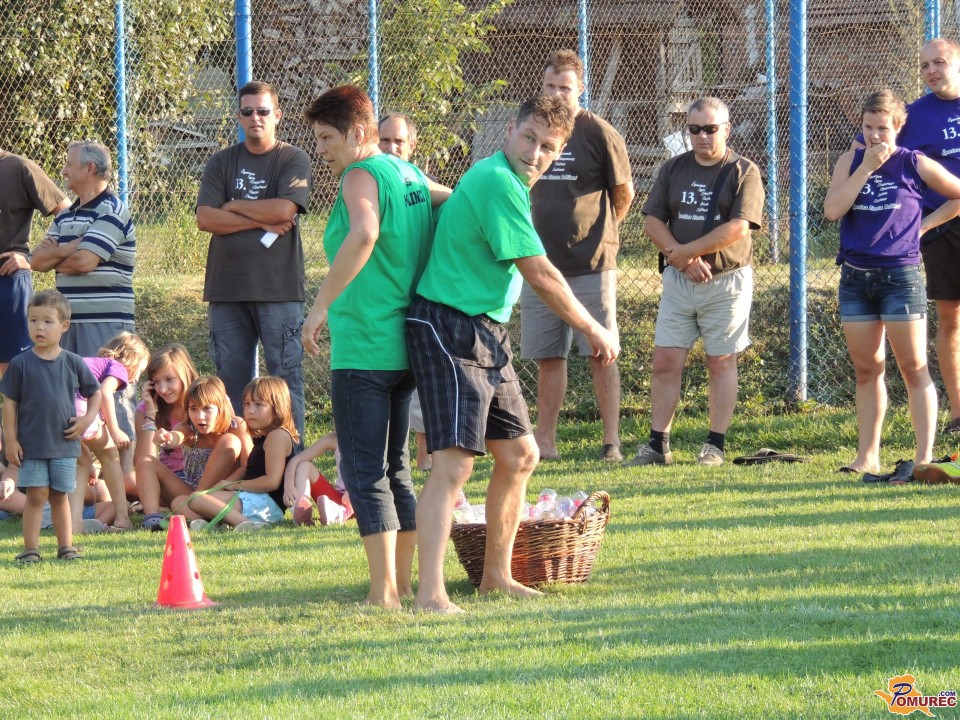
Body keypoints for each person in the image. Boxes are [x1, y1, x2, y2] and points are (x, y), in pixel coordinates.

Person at [406, 95, 620, 613]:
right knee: (452, 466)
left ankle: (495, 578)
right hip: (448, 324)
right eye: (529, 138)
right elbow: (540, 273)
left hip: (485, 329)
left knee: (522, 455)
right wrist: (594, 328)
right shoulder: (498, 181)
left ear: (559, 153)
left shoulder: (507, 182)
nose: (535, 153)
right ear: (509, 130)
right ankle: (430, 594)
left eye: (548, 147)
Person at [301, 85, 450, 609]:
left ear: (359, 132)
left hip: (365, 345)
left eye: (327, 137)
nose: (321, 149)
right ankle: (402, 584)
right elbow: (453, 198)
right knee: (396, 468)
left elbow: (364, 234)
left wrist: (320, 305)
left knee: (364, 471)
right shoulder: (406, 172)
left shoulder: (360, 174)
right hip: (406, 343)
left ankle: (383, 592)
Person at [824, 90, 960, 483]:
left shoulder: (914, 162)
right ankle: (867, 456)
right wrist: (865, 168)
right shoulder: (849, 162)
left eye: (882, 128)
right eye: (868, 127)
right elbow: (832, 210)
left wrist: (926, 225)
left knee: (914, 368)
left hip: (900, 277)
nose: (874, 135)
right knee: (867, 369)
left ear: (898, 128)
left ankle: (924, 459)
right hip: (856, 278)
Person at [627, 97, 764, 468]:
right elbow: (652, 221)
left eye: (710, 129)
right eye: (694, 129)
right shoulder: (673, 168)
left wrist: (687, 252)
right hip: (679, 280)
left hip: (726, 281)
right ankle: (658, 445)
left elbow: (739, 227)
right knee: (665, 361)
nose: (702, 136)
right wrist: (683, 259)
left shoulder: (743, 170)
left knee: (720, 361)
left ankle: (714, 445)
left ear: (726, 129)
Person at [522, 49, 635, 462]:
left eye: (565, 88)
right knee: (549, 356)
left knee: (601, 351)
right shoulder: (533, 131)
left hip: (591, 263)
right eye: (550, 86)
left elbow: (624, 193)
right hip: (539, 262)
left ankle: (611, 443)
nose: (556, 95)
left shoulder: (599, 132)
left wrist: (601, 233)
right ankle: (545, 441)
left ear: (580, 89)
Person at [196, 80, 311, 440]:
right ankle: (240, 461)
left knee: (283, 382)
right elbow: (206, 218)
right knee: (231, 386)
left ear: (278, 114)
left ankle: (291, 461)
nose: (255, 118)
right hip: (227, 289)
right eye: (248, 111)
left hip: (278, 289)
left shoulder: (293, 159)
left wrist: (233, 206)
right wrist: (261, 220)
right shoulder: (221, 161)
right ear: (239, 116)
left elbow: (285, 210)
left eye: (263, 111)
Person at [30, 139, 139, 498]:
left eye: (69, 164)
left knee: (112, 399)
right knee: (73, 400)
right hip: (67, 322)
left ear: (90, 168)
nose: (63, 171)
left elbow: (83, 263)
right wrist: (75, 246)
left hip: (105, 323)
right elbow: (37, 261)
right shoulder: (66, 215)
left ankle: (128, 487)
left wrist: (65, 254)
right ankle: (87, 488)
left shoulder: (113, 210)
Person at [0, 289, 101, 562]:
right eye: (33, 320)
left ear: (64, 326)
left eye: (47, 321)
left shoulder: (72, 362)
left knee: (59, 496)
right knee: (36, 495)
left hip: (64, 445)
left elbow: (95, 393)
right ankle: (30, 550)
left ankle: (65, 547)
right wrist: (11, 439)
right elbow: (9, 404)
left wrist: (86, 420)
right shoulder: (20, 364)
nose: (39, 327)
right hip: (32, 446)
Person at [894, 39, 960, 437]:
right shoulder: (914, 115)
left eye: (939, 62)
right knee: (950, 320)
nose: (931, 71)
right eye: (924, 66)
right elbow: (869, 148)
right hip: (942, 229)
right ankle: (958, 413)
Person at [378, 111, 433, 472]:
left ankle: (425, 454)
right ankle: (389, 454)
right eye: (385, 140)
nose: (391, 147)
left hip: (422, 299)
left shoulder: (419, 183)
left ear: (412, 145)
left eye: (399, 141)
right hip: (383, 303)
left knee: (422, 378)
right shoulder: (369, 180)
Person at [177, 376, 296, 530]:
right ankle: (216, 525)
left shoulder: (277, 435)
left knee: (196, 499)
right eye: (247, 404)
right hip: (251, 499)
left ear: (277, 407)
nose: (250, 411)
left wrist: (233, 485)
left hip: (265, 504)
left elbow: (272, 482)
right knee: (180, 502)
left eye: (259, 405)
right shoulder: (265, 437)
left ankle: (247, 524)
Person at [140, 376, 248, 530]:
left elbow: (248, 466)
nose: (199, 416)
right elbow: (175, 437)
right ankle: (153, 519)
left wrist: (226, 485)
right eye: (193, 409)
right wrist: (166, 438)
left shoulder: (236, 425)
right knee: (145, 462)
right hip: (190, 495)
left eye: (207, 408)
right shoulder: (187, 428)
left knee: (229, 441)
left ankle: (207, 515)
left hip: (223, 494)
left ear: (221, 407)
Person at [70, 331, 150, 531]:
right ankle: (122, 519)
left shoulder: (94, 363)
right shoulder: (117, 367)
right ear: (131, 359)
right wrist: (115, 430)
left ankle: (74, 522)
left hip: (57, 410)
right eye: (140, 370)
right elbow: (105, 393)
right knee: (110, 455)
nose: (137, 378)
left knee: (82, 461)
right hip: (79, 408)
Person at [0, 148, 69, 377]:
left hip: (7, 279)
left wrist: (32, 259)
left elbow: (68, 215)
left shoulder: (20, 168)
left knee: (13, 369)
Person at [133, 343, 198, 510]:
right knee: (131, 478)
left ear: (185, 374)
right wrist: (150, 414)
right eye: (156, 382)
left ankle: (162, 505)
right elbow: (143, 462)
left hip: (203, 480)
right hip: (168, 480)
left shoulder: (207, 399)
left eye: (169, 380)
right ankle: (153, 515)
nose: (162, 389)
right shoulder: (146, 408)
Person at [282, 430, 354, 527]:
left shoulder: (371, 439)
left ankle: (338, 514)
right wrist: (288, 486)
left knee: (361, 492)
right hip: (340, 497)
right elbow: (295, 460)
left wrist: (355, 490)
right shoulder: (334, 438)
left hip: (363, 498)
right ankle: (302, 508)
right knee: (304, 466)